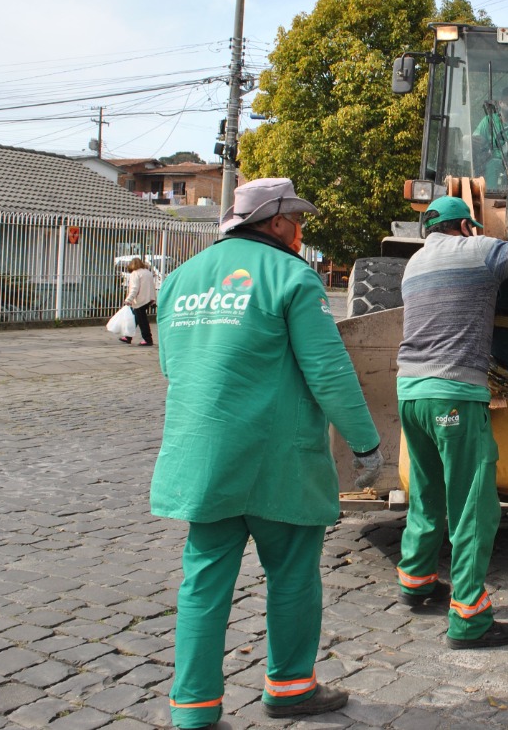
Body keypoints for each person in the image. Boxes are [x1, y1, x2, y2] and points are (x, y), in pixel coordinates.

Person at [150, 177, 382, 729]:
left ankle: (194, 709)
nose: (301, 231)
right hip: (278, 460)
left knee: (203, 580)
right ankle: (290, 687)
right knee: (293, 574)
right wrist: (366, 443)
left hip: (202, 457)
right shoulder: (292, 277)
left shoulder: (178, 281)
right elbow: (328, 370)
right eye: (297, 220)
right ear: (276, 222)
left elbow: (172, 367)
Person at [395, 196, 508, 649]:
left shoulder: (413, 264)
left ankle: (416, 580)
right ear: (466, 226)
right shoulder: (479, 250)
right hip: (454, 395)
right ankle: (469, 617)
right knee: (473, 504)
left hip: (410, 392)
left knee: (428, 490)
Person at [121, 257, 157, 346]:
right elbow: (152, 286)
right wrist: (153, 299)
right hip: (148, 299)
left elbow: (134, 288)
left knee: (142, 320)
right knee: (136, 318)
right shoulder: (147, 272)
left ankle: (148, 339)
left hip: (140, 300)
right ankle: (128, 337)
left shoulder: (135, 273)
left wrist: (128, 299)